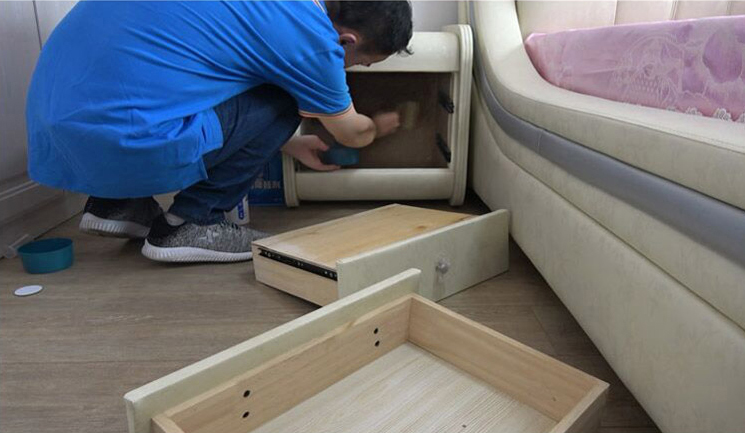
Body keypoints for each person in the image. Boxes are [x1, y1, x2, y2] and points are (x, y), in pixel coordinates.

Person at [26, 1, 413, 263]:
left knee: (157, 72)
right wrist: (378, 126)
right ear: (347, 41)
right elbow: (350, 134)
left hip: (57, 133)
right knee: (285, 96)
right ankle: (192, 222)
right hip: (126, 139)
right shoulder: (313, 39)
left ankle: (116, 204)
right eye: (359, 64)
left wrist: (286, 143)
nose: (348, 70)